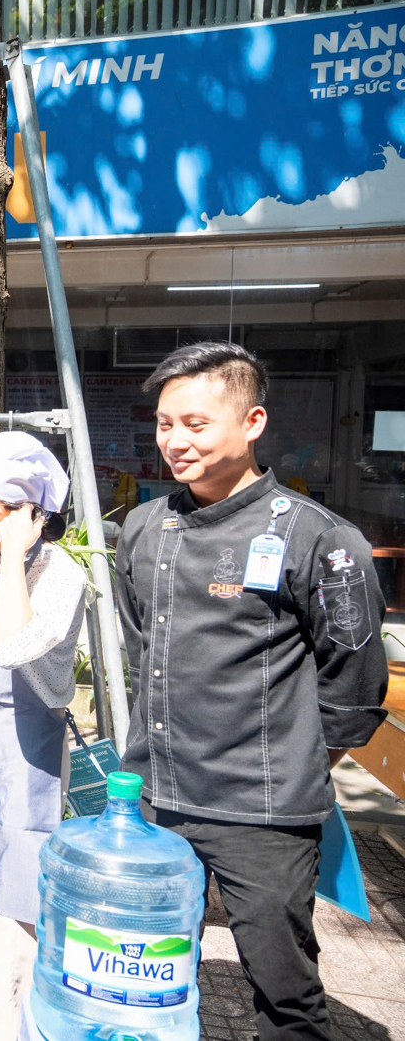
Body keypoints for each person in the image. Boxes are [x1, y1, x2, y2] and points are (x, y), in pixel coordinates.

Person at [117, 342, 387, 1041]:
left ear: (253, 421)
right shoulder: (145, 527)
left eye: (196, 423)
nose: (175, 440)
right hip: (154, 799)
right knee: (141, 975)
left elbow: (355, 683)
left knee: (284, 991)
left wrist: (296, 766)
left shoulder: (319, 538)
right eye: (165, 423)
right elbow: (141, 647)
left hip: (263, 813)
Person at [0, 431, 87, 1041]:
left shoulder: (60, 572)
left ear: (28, 512)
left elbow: (13, 645)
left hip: (24, 770)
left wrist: (12, 555)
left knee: (12, 928)